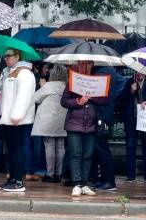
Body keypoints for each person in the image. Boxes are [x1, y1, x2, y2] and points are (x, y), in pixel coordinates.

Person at [61, 61, 109, 197]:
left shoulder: (98, 82)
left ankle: (84, 183)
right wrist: (78, 101)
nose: (83, 67)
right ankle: (76, 183)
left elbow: (104, 101)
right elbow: (63, 101)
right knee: (76, 153)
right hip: (74, 123)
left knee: (88, 155)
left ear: (91, 66)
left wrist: (91, 97)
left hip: (92, 124)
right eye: (81, 64)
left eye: (86, 64)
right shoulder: (72, 81)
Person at [0, 48, 36, 192]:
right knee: (12, 150)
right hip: (10, 118)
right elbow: (4, 92)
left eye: (9, 56)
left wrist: (16, 115)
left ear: (17, 56)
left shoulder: (24, 73)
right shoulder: (11, 72)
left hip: (17, 120)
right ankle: (12, 178)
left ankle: (18, 180)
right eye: (5, 56)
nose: (6, 58)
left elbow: (23, 96)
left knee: (18, 150)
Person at [91, 65, 125, 192]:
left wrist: (89, 96)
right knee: (101, 148)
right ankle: (104, 180)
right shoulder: (110, 72)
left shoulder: (103, 73)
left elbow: (102, 98)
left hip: (102, 115)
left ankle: (109, 181)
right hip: (106, 113)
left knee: (102, 149)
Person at [120, 72, 146, 183]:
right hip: (131, 120)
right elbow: (121, 98)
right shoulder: (130, 82)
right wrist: (131, 91)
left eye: (141, 73)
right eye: (137, 73)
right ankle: (130, 175)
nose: (139, 74)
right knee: (130, 147)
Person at [32, 64, 68, 183]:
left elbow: (35, 98)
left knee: (49, 145)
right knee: (61, 145)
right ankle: (59, 173)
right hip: (63, 120)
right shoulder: (67, 86)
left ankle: (50, 173)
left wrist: (42, 86)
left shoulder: (48, 86)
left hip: (48, 120)